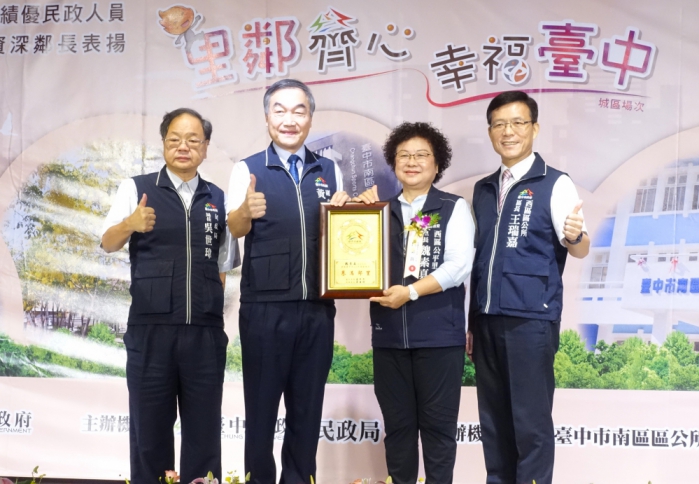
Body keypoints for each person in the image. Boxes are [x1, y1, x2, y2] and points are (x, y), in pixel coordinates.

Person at [101, 108, 237, 484]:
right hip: (151, 331)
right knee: (149, 435)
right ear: (163, 143)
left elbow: (222, 267)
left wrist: (208, 309)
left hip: (204, 335)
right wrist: (130, 223)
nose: (183, 147)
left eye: (193, 140)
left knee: (204, 436)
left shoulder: (218, 198)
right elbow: (108, 242)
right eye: (174, 139)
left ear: (205, 147)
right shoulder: (137, 189)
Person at [226, 79, 349, 484]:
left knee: (306, 412)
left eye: (299, 110)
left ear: (310, 117)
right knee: (261, 413)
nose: (289, 119)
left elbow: (341, 232)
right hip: (265, 310)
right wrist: (245, 210)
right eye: (279, 110)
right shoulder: (247, 169)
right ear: (267, 118)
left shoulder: (329, 170)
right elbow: (235, 228)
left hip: (317, 310)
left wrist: (349, 212)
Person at [468, 91, 589, 484]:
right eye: (499, 124)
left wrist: (574, 235)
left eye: (518, 123)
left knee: (530, 424)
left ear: (534, 128)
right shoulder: (484, 188)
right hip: (487, 320)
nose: (509, 132)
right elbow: (480, 260)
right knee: (493, 424)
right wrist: (471, 322)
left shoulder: (555, 183)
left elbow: (580, 246)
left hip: (531, 321)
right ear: (490, 131)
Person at [355, 122, 475, 484]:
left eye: (422, 155)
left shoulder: (452, 207)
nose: (412, 162)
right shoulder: (378, 211)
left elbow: (458, 266)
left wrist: (410, 292)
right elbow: (354, 255)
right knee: (398, 430)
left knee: (438, 431)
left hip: (439, 338)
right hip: (389, 338)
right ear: (393, 163)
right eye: (404, 155)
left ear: (437, 165)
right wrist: (355, 215)